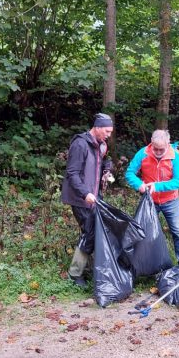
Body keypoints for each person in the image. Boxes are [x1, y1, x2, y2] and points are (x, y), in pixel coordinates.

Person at [61, 113, 114, 287]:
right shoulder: (80, 144)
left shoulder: (101, 145)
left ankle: (90, 268)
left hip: (94, 197)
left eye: (110, 131)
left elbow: (104, 162)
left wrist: (107, 169)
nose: (109, 135)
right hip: (80, 198)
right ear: (97, 127)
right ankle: (75, 274)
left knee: (93, 231)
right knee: (90, 233)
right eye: (106, 131)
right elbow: (72, 173)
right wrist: (85, 194)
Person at [125, 129, 179, 266]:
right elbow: (129, 173)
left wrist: (157, 186)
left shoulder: (175, 156)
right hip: (150, 202)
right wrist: (139, 184)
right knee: (141, 233)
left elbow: (178, 181)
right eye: (155, 148)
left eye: (161, 149)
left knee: (178, 233)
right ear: (151, 143)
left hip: (171, 201)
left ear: (168, 144)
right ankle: (139, 265)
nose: (158, 152)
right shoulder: (143, 153)